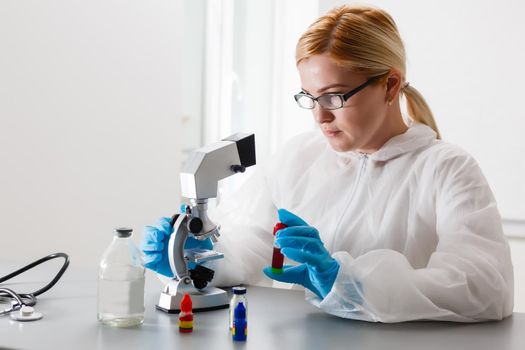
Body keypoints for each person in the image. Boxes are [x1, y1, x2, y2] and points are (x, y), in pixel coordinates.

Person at [141, 4, 513, 323]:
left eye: (334, 97)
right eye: (309, 96)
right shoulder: (298, 157)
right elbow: (249, 246)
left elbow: (483, 287)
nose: (320, 117)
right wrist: (195, 260)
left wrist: (348, 280)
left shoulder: (446, 169)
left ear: (390, 85)